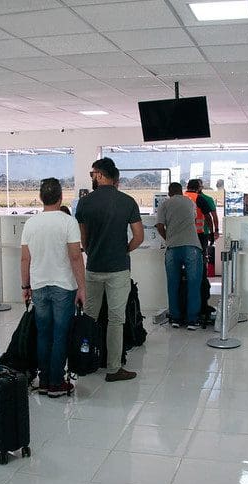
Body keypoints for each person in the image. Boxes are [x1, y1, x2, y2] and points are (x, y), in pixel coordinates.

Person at [76, 157, 143, 382]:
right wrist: (124, 250)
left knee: (90, 316)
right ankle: (114, 368)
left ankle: (86, 361)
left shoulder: (85, 203)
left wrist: (91, 251)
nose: (93, 178)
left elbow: (83, 238)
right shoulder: (127, 202)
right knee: (116, 319)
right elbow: (139, 236)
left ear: (102, 175)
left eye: (94, 174)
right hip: (118, 269)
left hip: (93, 268)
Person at [21, 179, 86, 397]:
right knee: (60, 334)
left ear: (41, 198)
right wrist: (82, 287)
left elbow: (24, 259)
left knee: (43, 334)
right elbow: (76, 257)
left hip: (39, 286)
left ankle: (44, 381)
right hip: (63, 286)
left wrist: (25, 286)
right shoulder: (68, 222)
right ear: (60, 197)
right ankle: (56, 383)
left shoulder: (31, 223)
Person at [155, 182, 202, 330]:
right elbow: (193, 219)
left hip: (172, 247)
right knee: (194, 283)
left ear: (169, 193)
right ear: (181, 191)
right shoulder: (189, 202)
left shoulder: (164, 204)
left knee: (173, 283)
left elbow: (159, 225)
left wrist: (168, 238)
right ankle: (192, 320)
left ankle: (175, 318)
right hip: (192, 246)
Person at [184, 179, 215, 250]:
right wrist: (211, 232)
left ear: (187, 187)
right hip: (198, 234)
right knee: (201, 255)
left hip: (184, 233)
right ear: (198, 188)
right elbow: (208, 217)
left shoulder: (181, 197)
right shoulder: (199, 198)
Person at [197, 179, 220, 245]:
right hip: (193, 233)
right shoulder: (187, 199)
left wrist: (216, 231)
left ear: (202, 187)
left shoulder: (208, 199)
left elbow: (214, 216)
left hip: (204, 232)